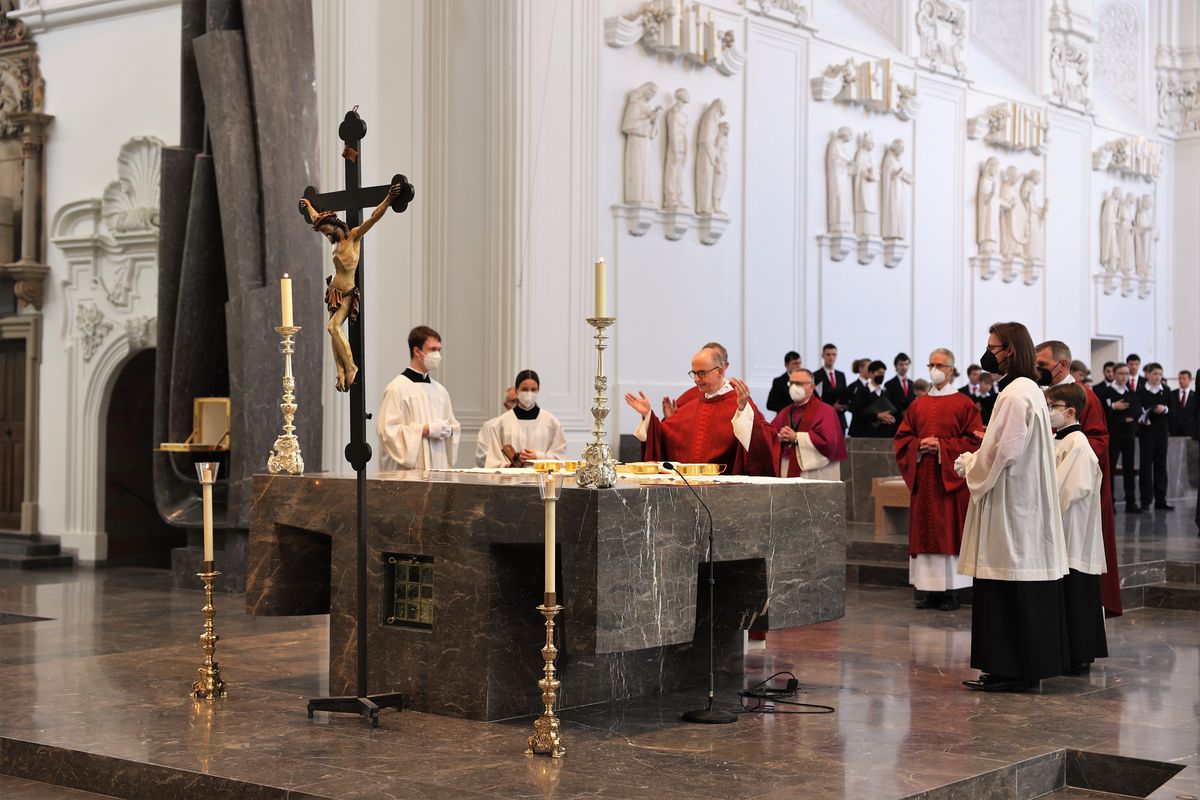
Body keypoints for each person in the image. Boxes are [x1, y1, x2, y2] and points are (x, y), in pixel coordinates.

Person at [956, 321, 1069, 692]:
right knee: (1016, 584)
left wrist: (971, 464)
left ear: (1012, 351)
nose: (989, 354)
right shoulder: (1029, 390)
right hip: (1023, 501)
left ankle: (1009, 669)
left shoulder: (1015, 394)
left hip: (1011, 502)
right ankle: (1016, 668)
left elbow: (1005, 450)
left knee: (1006, 581)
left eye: (994, 347)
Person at [1035, 340, 1121, 617]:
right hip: (1043, 484)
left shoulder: (1083, 396)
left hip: (1074, 489)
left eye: (1043, 365)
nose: (1037, 370)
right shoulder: (1039, 394)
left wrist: (1062, 449)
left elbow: (1098, 439)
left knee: (1075, 560)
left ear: (1062, 365)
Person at [894, 348, 982, 612]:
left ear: (951, 370)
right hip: (924, 479)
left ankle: (952, 592)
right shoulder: (918, 404)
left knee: (949, 531)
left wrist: (943, 447)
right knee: (925, 532)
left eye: (939, 365)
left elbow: (974, 440)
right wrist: (919, 445)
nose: (934, 368)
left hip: (950, 481)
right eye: (930, 363)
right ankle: (930, 591)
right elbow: (902, 439)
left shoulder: (964, 404)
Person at [300, 181, 406, 392]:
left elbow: (374, 217)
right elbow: (316, 219)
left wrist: (389, 199)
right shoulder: (334, 241)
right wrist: (308, 206)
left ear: (337, 226)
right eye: (326, 232)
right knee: (332, 329)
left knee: (333, 327)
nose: (328, 235)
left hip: (348, 292)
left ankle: (351, 366)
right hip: (334, 291)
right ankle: (340, 371)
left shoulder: (353, 236)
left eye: (329, 231)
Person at [625, 346, 779, 476]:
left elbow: (763, 440)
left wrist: (743, 411)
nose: (696, 379)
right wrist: (648, 415)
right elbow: (664, 434)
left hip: (726, 491)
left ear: (720, 372)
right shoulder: (691, 405)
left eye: (702, 373)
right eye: (694, 373)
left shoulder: (739, 401)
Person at [1046, 383, 1108, 674]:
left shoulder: (1079, 444)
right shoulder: (1058, 440)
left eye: (1052, 407)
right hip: (1061, 529)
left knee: (1077, 589)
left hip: (1073, 529)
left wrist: (1042, 504)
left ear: (1070, 411)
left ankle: (1079, 653)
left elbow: (1071, 488)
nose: (1048, 412)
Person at [377, 325, 460, 471]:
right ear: (416, 351)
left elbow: (452, 424)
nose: (437, 355)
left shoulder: (441, 391)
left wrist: (450, 430)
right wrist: (425, 430)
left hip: (437, 468)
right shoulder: (397, 388)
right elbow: (386, 432)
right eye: (432, 350)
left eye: (439, 350)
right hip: (408, 473)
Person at [478, 371, 568, 468]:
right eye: (525, 389)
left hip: (542, 480)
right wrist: (510, 465)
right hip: (512, 480)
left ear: (538, 391)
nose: (529, 393)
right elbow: (493, 461)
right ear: (517, 391)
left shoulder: (552, 423)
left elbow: (560, 459)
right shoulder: (501, 423)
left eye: (533, 390)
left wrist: (539, 457)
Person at [770, 368, 846, 480]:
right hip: (788, 465)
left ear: (811, 387)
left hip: (814, 472)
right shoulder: (785, 411)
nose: (793, 387)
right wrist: (779, 437)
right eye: (791, 383)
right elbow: (770, 434)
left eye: (798, 383)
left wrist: (796, 437)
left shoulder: (825, 411)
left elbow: (830, 443)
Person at [1105, 364, 1141, 513]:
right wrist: (1113, 407)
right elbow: (1103, 411)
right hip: (1113, 435)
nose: (1124, 377)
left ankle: (1131, 502)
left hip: (1128, 435)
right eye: (1121, 373)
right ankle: (1110, 502)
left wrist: (1129, 416)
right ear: (1114, 374)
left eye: (1126, 374)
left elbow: (1137, 409)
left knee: (1129, 468)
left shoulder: (1131, 392)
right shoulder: (1106, 392)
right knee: (1110, 469)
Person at [1137, 363, 1172, 510]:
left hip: (1162, 433)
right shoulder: (1141, 391)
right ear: (1148, 375)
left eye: (1160, 374)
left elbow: (1173, 411)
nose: (1158, 377)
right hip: (1146, 432)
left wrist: (1164, 409)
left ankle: (1161, 500)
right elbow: (1137, 410)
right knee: (1145, 466)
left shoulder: (1167, 391)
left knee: (1161, 466)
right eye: (1155, 373)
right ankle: (1145, 500)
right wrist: (1144, 417)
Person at [664, 341, 728, 417]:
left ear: (723, 367)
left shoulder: (738, 397)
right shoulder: (691, 396)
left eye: (702, 373)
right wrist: (673, 419)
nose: (696, 379)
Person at [849, 360, 896, 437]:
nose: (882, 375)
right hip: (864, 434)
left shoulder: (885, 392)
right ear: (871, 374)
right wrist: (877, 416)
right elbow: (857, 412)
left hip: (881, 434)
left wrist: (891, 419)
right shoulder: (862, 391)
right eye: (879, 373)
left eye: (883, 373)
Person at [475, 388, 519, 467]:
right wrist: (504, 465)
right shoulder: (490, 426)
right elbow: (482, 455)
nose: (518, 404)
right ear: (506, 405)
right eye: (514, 401)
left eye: (520, 401)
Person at [813, 343, 848, 431]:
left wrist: (842, 407)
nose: (831, 357)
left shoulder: (841, 375)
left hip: (840, 418)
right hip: (823, 418)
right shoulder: (815, 375)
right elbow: (815, 398)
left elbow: (845, 395)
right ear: (822, 356)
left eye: (833, 354)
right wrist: (832, 407)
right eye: (828, 354)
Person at [885, 352, 915, 420]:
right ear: (896, 366)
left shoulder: (913, 384)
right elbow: (888, 404)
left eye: (906, 364)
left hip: (910, 421)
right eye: (901, 364)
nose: (904, 367)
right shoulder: (889, 384)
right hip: (896, 421)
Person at [1171, 370, 1198, 438]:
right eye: (1180, 378)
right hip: (1174, 429)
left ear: (1190, 379)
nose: (1181, 381)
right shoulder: (1172, 394)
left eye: (1184, 378)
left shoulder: (1195, 395)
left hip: (1190, 429)